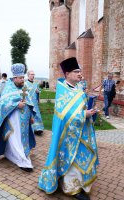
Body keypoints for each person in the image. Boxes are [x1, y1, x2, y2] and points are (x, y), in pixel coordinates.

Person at [38, 57, 99, 200]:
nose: (79, 74)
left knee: (80, 158)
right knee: (70, 159)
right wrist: (84, 114)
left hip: (82, 131)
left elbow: (81, 107)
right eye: (76, 71)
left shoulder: (78, 89)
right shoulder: (62, 90)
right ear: (67, 74)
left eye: (80, 71)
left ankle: (82, 184)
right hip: (68, 134)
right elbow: (64, 114)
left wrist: (91, 112)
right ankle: (72, 188)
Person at [0, 63, 36, 172]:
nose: (22, 80)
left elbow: (29, 102)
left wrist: (31, 116)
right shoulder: (8, 88)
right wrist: (16, 105)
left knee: (21, 140)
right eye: (20, 78)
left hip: (24, 121)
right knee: (16, 140)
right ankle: (22, 161)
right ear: (14, 78)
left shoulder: (24, 87)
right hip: (13, 121)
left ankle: (14, 155)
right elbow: (3, 104)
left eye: (23, 77)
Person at [25, 70, 44, 135]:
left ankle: (38, 129)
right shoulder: (25, 84)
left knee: (37, 115)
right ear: (28, 75)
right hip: (29, 103)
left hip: (35, 103)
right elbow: (23, 93)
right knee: (30, 116)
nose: (33, 76)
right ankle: (31, 129)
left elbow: (38, 91)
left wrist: (38, 92)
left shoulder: (36, 84)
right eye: (31, 74)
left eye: (33, 74)